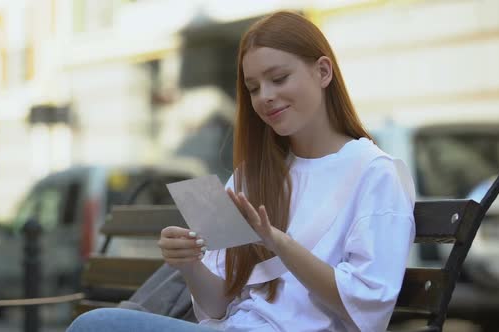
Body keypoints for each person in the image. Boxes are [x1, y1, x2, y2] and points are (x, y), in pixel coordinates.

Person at [67, 10, 415, 332]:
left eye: (279, 78)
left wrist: (278, 242)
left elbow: (369, 307)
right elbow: (218, 305)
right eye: (253, 88)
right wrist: (189, 265)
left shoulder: (374, 173)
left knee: (96, 326)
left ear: (323, 72)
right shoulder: (253, 175)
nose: (265, 96)